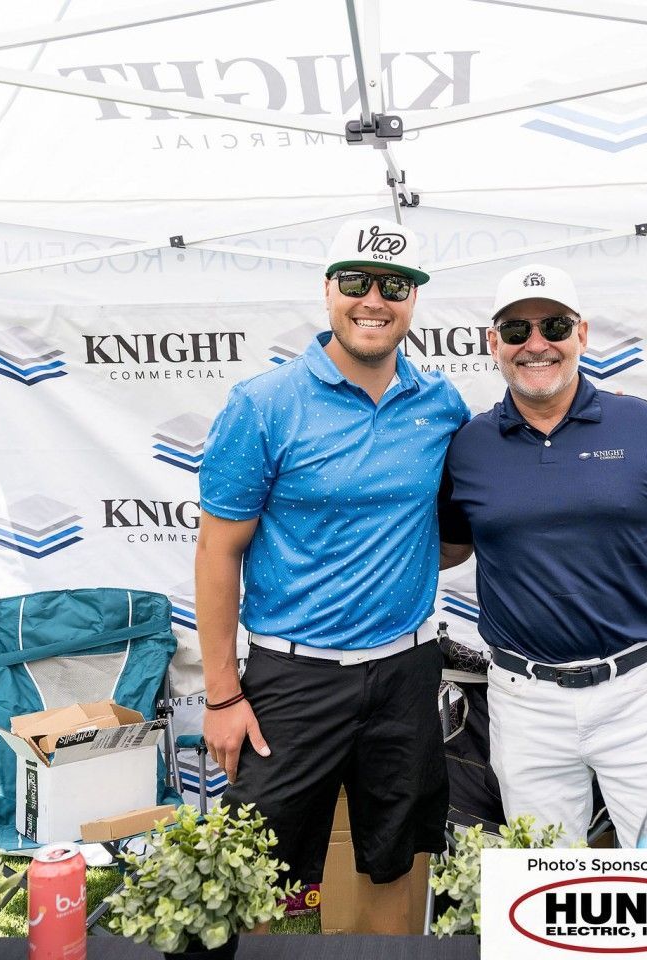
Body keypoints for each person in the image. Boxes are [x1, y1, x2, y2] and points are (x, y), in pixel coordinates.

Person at [196, 218, 471, 931]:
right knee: (254, 882)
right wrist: (223, 695)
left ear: (414, 300)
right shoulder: (264, 403)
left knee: (394, 860)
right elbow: (218, 553)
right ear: (328, 292)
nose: (373, 299)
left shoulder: (441, 405)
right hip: (293, 679)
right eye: (355, 282)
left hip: (407, 671)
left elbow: (449, 537)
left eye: (395, 285)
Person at [438, 263, 647, 847]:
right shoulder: (469, 445)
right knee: (547, 877)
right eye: (516, 331)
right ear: (494, 344)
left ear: (581, 334)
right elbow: (447, 549)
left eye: (554, 325)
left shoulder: (641, 425)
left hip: (637, 697)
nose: (536, 344)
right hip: (524, 701)